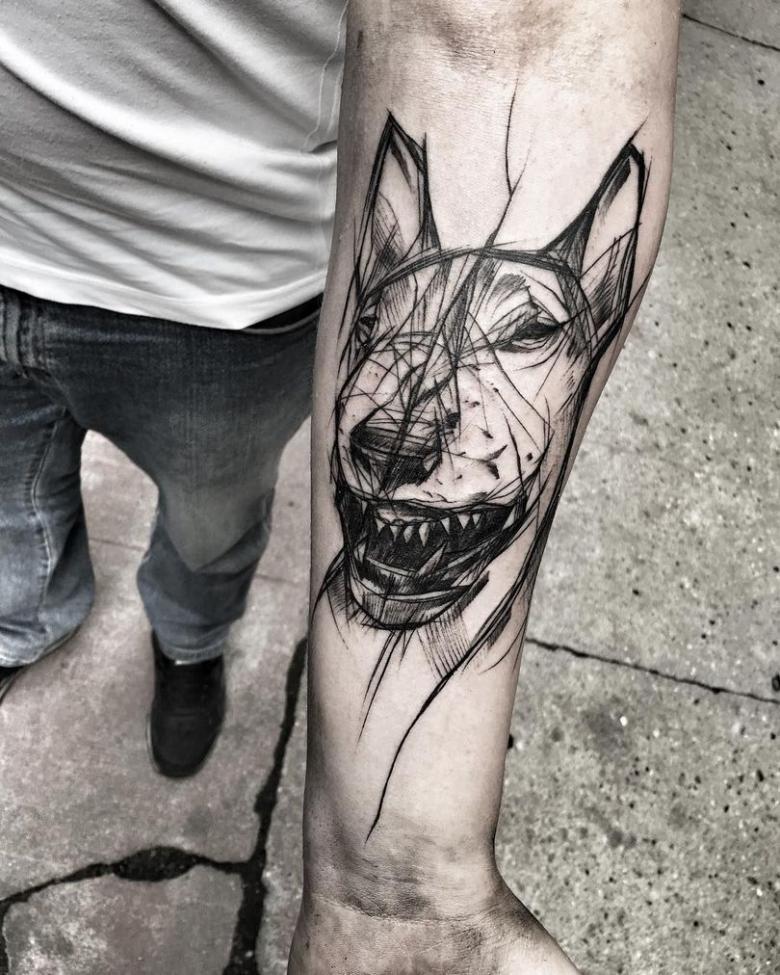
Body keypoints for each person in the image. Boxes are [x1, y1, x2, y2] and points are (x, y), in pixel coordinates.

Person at [0, 1, 681, 971]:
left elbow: (519, 34)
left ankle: (190, 641)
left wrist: (395, 879)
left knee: (209, 522)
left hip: (209, 294)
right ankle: (22, 626)